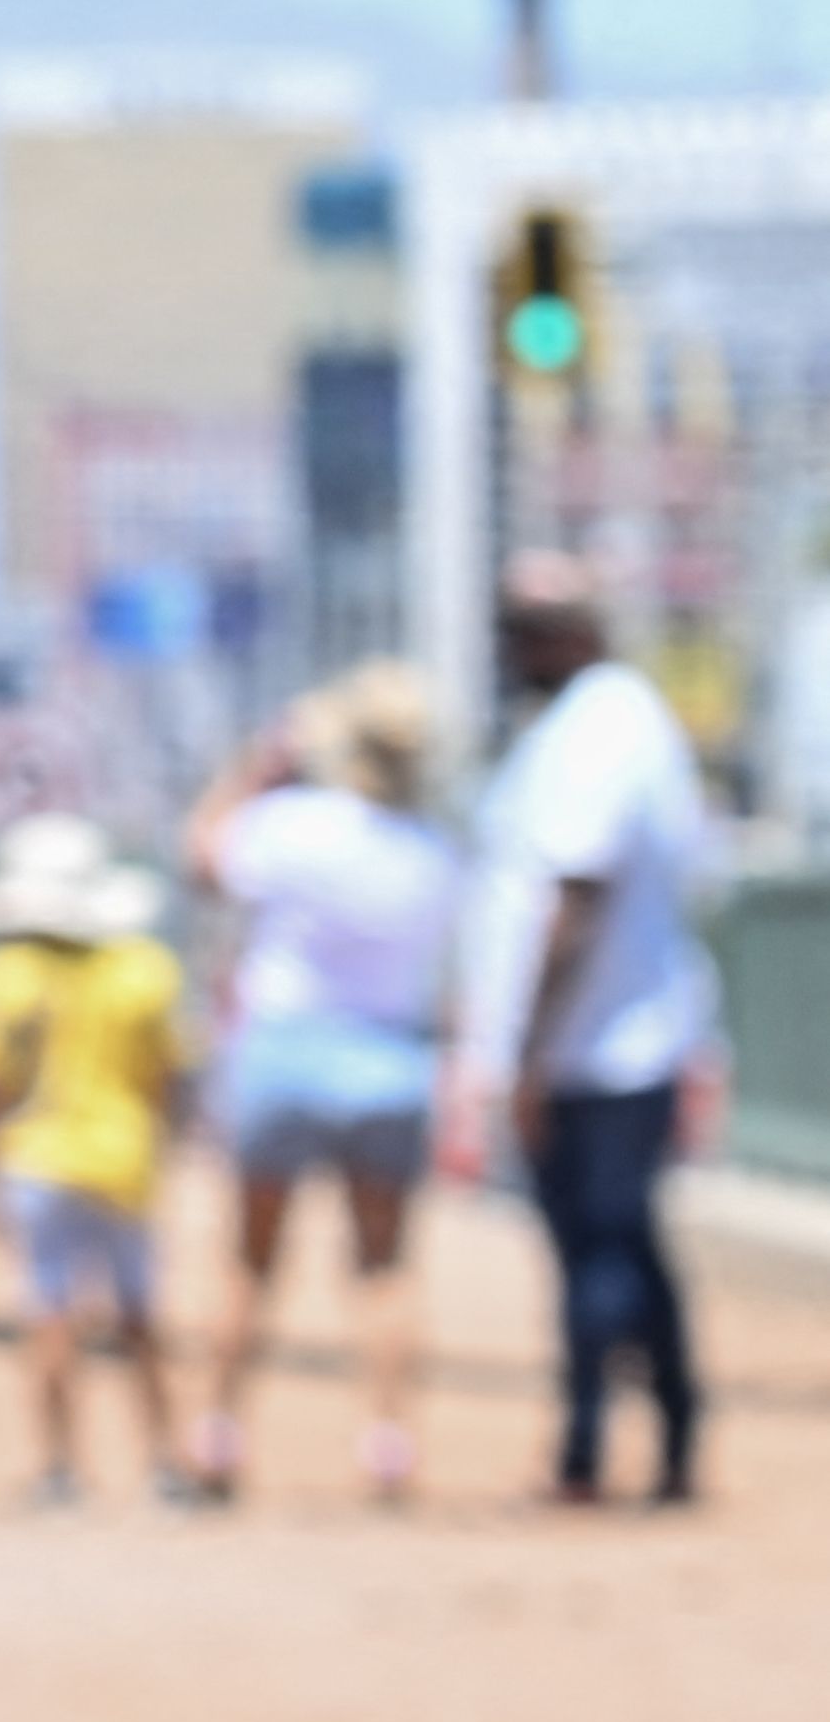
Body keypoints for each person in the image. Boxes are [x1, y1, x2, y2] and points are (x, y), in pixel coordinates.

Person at [462, 554, 714, 1511]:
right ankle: (670, 1438)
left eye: (522, 632)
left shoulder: (601, 726)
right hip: (601, 1041)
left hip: (605, 1047)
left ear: (573, 633)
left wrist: (526, 1053)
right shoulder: (587, 725)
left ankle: (589, 1452)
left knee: (601, 1252)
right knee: (622, 1248)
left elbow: (576, 898)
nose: (509, 652)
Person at [187, 665, 456, 1508]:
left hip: (285, 1051)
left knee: (250, 1261)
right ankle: (387, 1444)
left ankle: (220, 1436)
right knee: (382, 1265)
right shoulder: (432, 850)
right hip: (388, 1059)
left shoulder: (291, 824)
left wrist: (252, 769)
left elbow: (201, 855)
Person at [0, 813, 191, 1507]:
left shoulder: (7, 974)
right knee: (139, 1316)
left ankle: (60, 1468)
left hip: (36, 1161)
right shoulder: (143, 971)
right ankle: (162, 1468)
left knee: (49, 1312)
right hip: (123, 1160)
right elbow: (165, 1081)